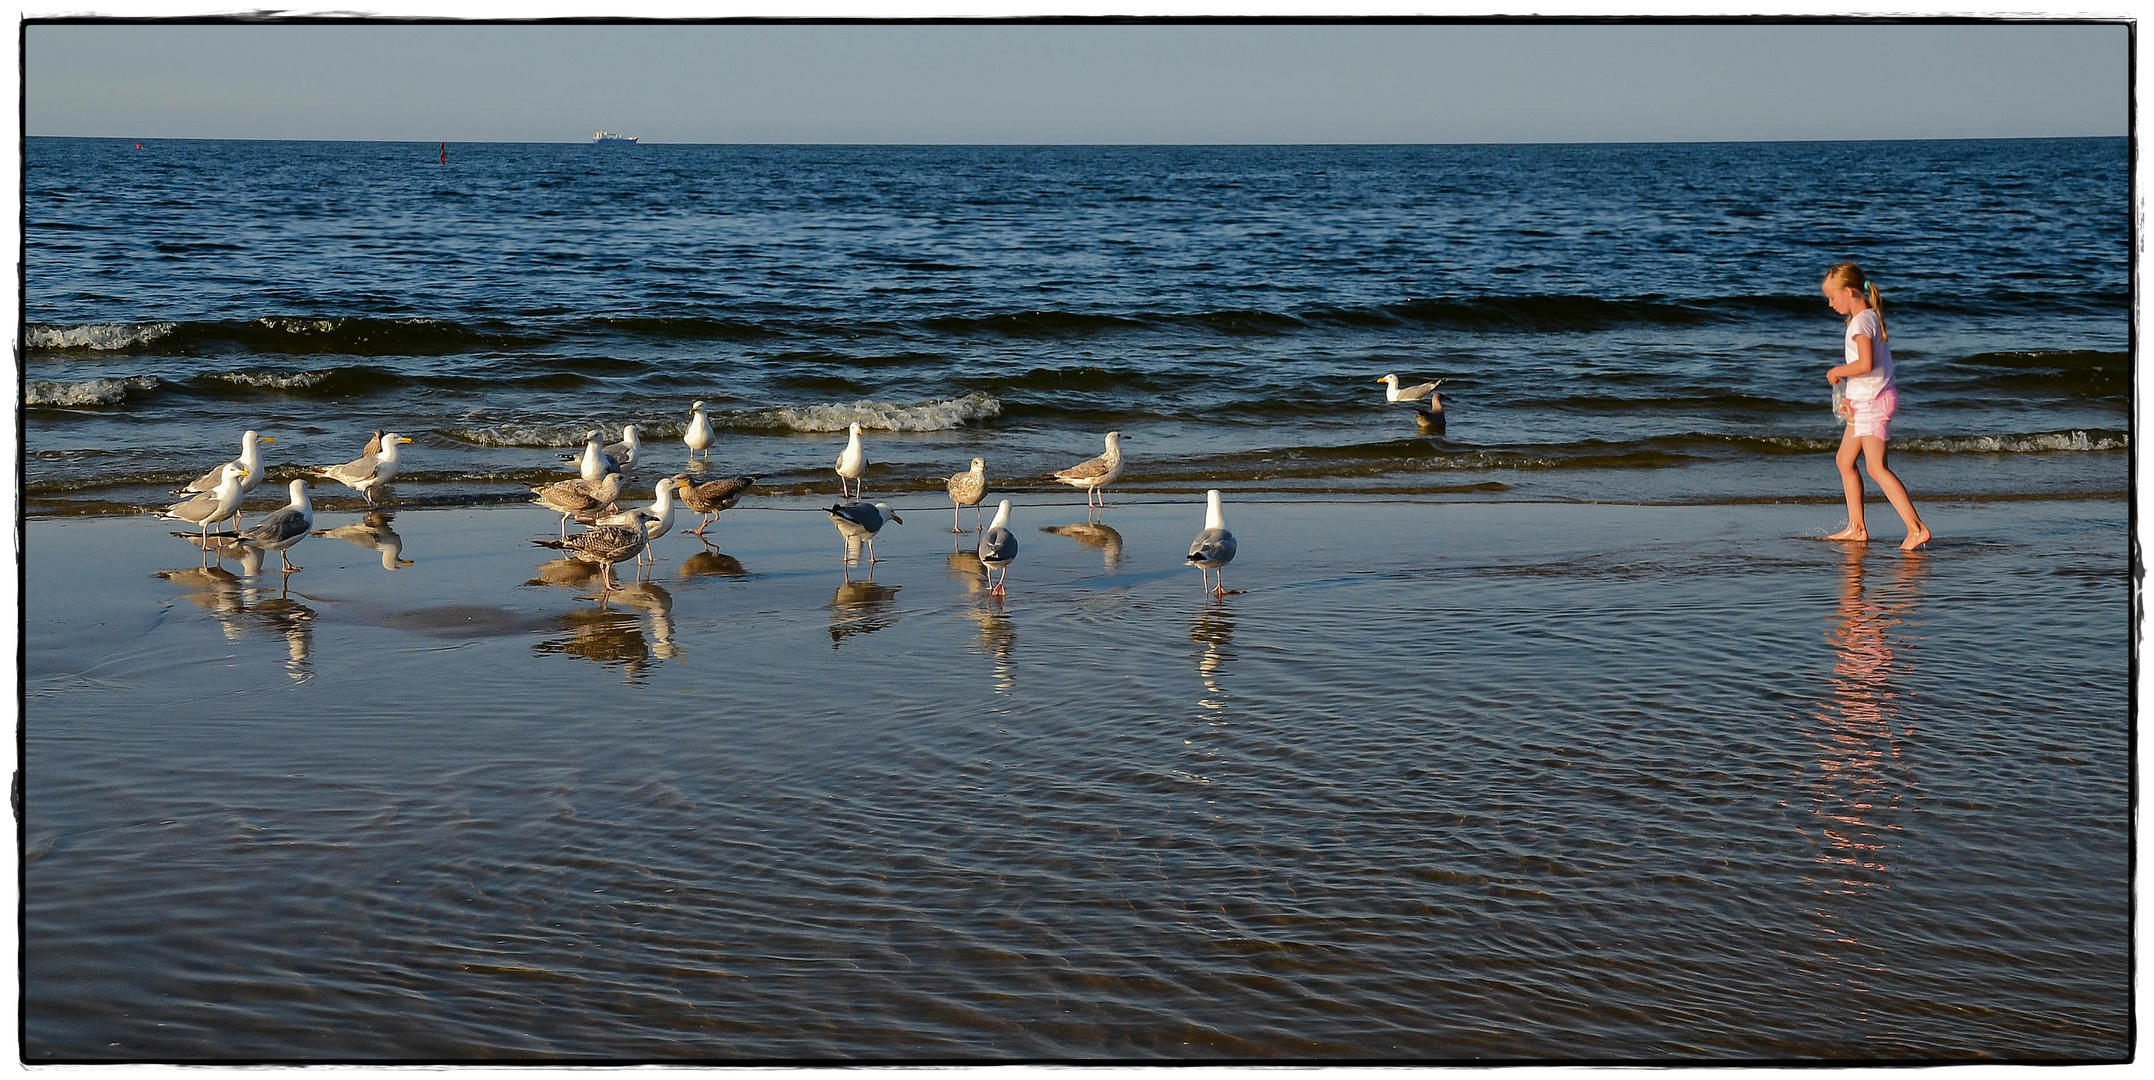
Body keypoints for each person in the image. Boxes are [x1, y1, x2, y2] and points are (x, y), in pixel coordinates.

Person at [1821, 262, 1930, 550]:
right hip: (1865, 399)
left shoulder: (1860, 323)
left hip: (1874, 402)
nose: (1830, 304)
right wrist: (1849, 396)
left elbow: (1866, 363)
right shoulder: (1866, 318)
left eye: (1832, 297)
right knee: (1845, 460)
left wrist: (1838, 372)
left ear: (1848, 291)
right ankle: (1856, 528)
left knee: (1876, 467)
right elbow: (1874, 368)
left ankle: (1916, 528)